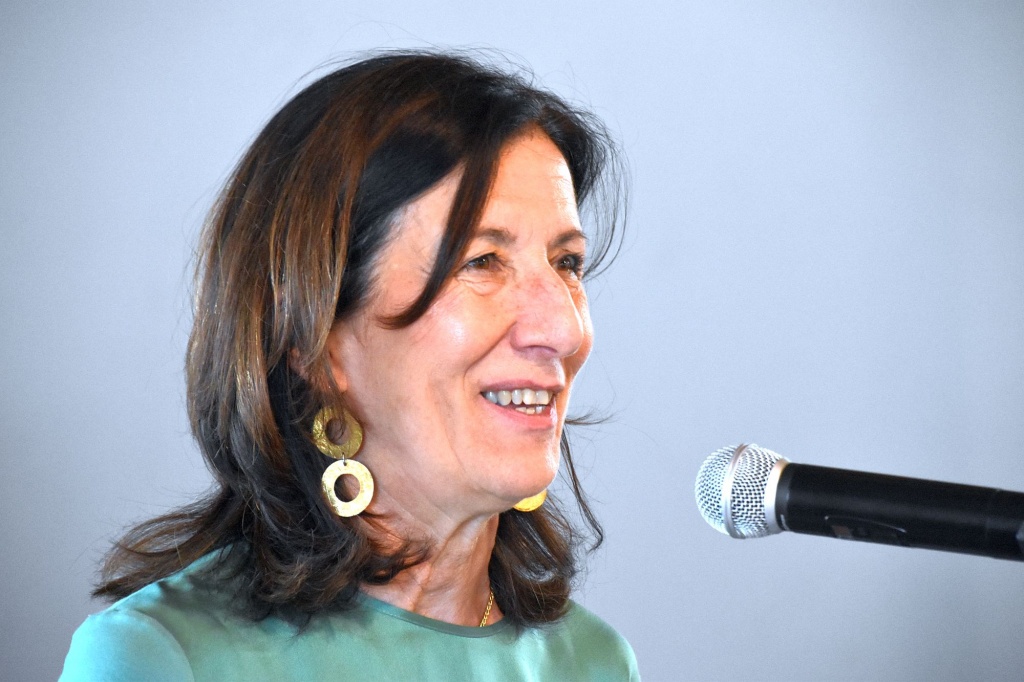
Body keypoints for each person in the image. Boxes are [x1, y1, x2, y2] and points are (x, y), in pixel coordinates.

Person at [61, 51, 639, 681]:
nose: (563, 329)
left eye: (567, 263)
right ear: (314, 341)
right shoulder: (162, 658)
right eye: (481, 262)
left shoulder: (596, 664)